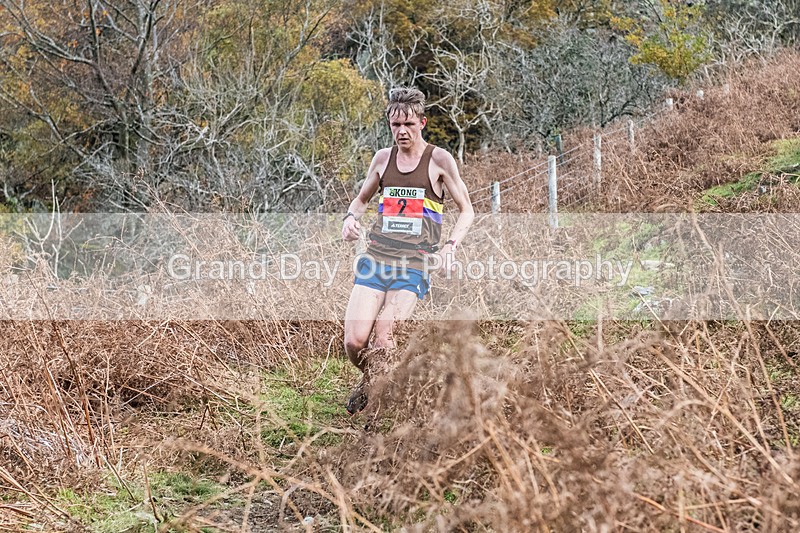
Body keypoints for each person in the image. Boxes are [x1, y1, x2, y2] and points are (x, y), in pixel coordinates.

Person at [340, 87, 474, 414]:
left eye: (409, 125)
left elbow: (467, 210)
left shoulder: (439, 160)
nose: (402, 131)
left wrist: (450, 248)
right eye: (395, 125)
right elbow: (360, 201)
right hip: (376, 258)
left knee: (384, 338)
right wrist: (349, 219)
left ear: (422, 123)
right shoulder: (382, 159)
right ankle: (374, 381)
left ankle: (375, 414)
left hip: (415, 263)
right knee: (355, 342)